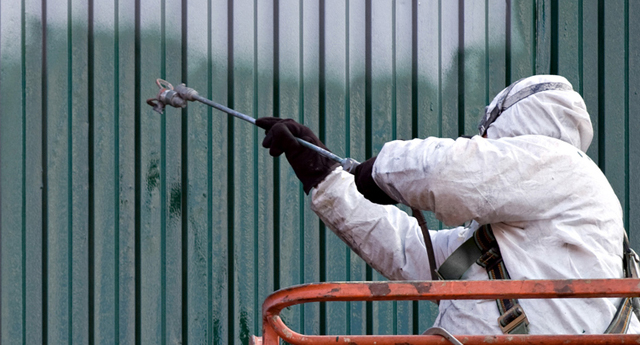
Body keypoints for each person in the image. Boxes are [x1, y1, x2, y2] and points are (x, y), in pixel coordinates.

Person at [256, 75, 639, 335]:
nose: (484, 142)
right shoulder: (517, 232)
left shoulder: (562, 165)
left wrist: (380, 171)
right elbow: (410, 254)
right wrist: (324, 178)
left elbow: (451, 174)